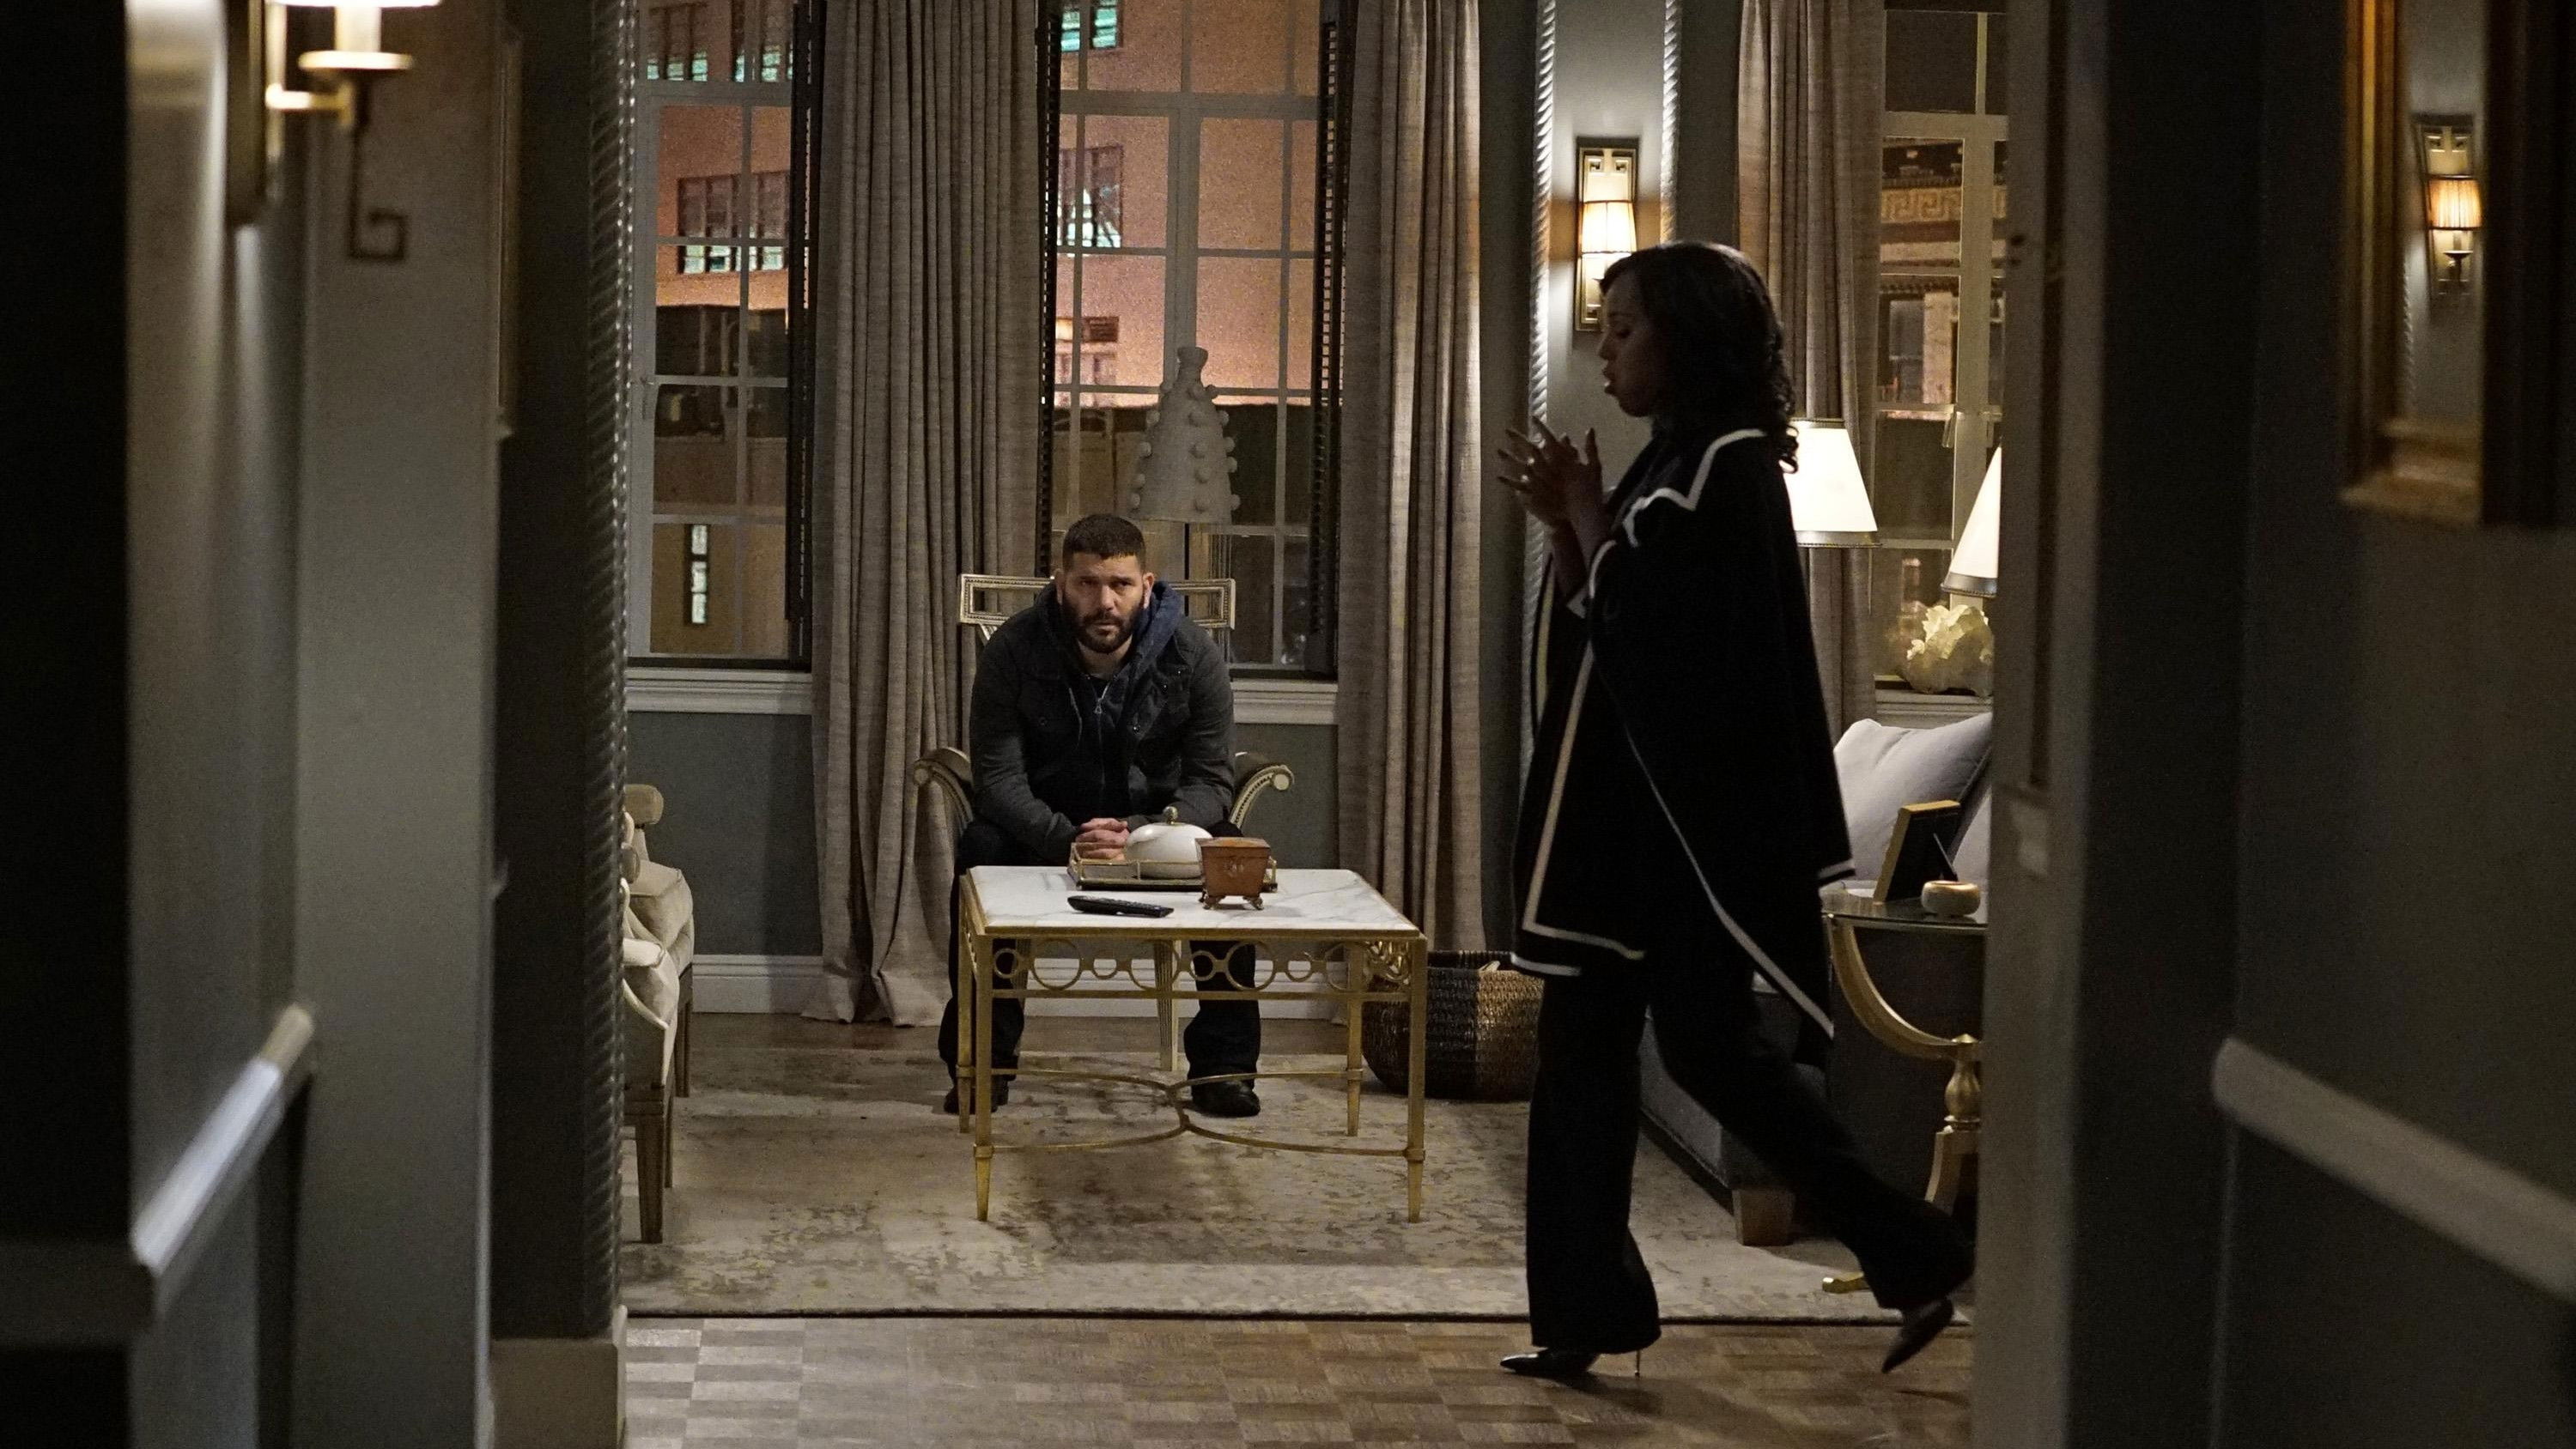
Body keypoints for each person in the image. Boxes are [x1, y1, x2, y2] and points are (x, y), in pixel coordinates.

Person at [1493, 242, 1971, 1378]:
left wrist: (1588, 516)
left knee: (1699, 1052)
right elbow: (1607, 618)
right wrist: (1570, 528)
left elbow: (1676, 645)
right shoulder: (1679, 458)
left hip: (1675, 835)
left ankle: (1911, 1249)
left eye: (1626, 330)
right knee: (1597, 1058)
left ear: (1689, 339)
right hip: (1626, 825)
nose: (1607, 352)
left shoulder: (1732, 468)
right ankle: (1592, 1313)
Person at [933, 513, 1263, 1118]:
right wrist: (1066, 838)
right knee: (981, 846)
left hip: (1159, 830)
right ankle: (982, 1061)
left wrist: (1140, 835)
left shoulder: (1193, 654)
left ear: (1146, 586)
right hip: (1044, 829)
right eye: (1087, 583)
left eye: (1120, 584)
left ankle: (1225, 1070)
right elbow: (999, 780)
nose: (1104, 601)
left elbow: (1211, 781)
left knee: (1227, 847)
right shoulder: (1014, 649)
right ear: (1061, 583)